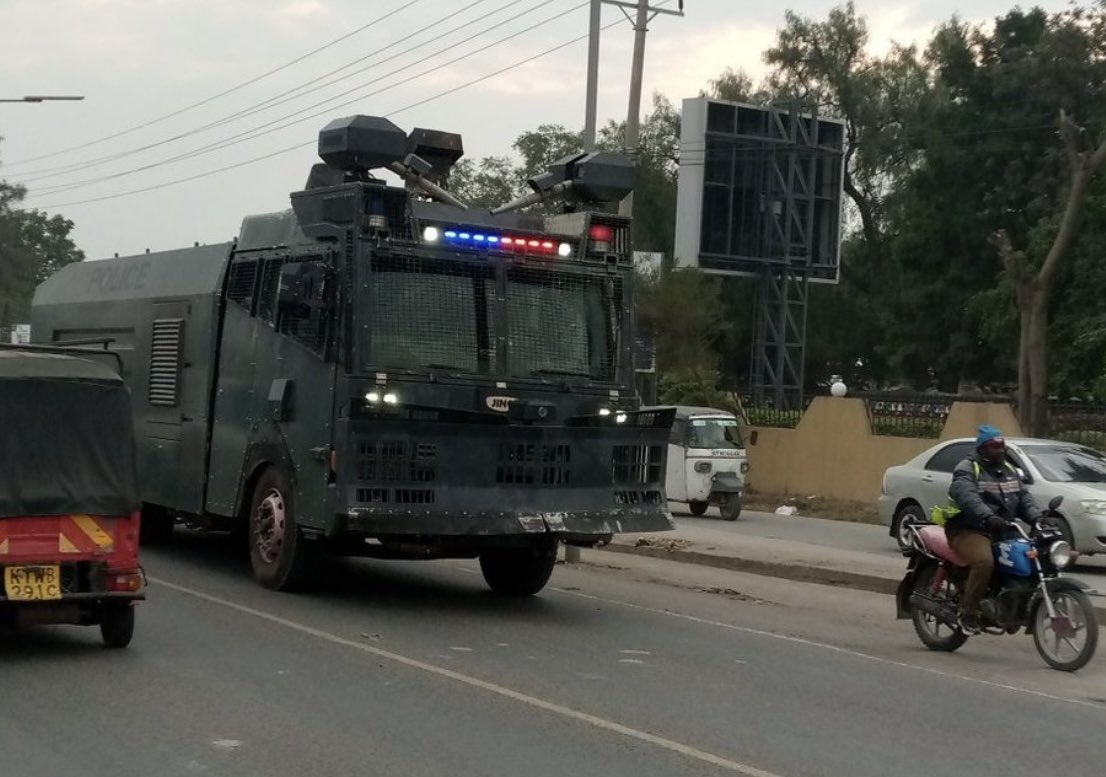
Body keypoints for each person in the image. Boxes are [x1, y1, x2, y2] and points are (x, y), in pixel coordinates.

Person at [946, 424, 1043, 633]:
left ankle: (1013, 605)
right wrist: (987, 516)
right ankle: (968, 613)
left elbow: (1024, 498)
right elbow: (966, 496)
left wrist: (1037, 518)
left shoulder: (1009, 470)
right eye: (993, 447)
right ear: (982, 449)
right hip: (968, 529)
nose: (1000, 450)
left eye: (1002, 446)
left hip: (1003, 529)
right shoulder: (967, 468)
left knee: (1032, 558)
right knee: (984, 561)